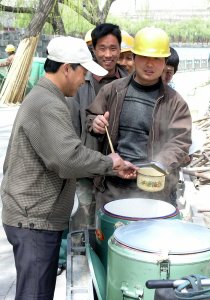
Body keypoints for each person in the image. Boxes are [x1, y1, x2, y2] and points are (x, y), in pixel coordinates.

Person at [0, 36, 137, 300]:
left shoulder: (48, 96)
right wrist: (111, 163)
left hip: (34, 215)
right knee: (34, 294)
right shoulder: (48, 104)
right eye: (83, 72)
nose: (84, 79)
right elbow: (67, 159)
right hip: (33, 219)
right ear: (66, 68)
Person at [86, 27, 192, 211]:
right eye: (144, 57)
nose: (150, 64)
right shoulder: (112, 90)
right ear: (134, 58)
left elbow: (180, 141)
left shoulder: (175, 102)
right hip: (112, 187)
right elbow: (92, 116)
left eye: (157, 59)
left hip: (153, 191)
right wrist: (95, 123)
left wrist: (157, 166)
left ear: (165, 62)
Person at [68, 23, 128, 232]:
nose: (108, 54)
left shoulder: (130, 82)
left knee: (114, 229)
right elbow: (71, 127)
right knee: (82, 230)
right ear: (93, 49)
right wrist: (93, 124)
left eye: (113, 48)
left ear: (120, 49)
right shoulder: (79, 81)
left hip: (117, 175)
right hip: (85, 171)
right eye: (102, 48)